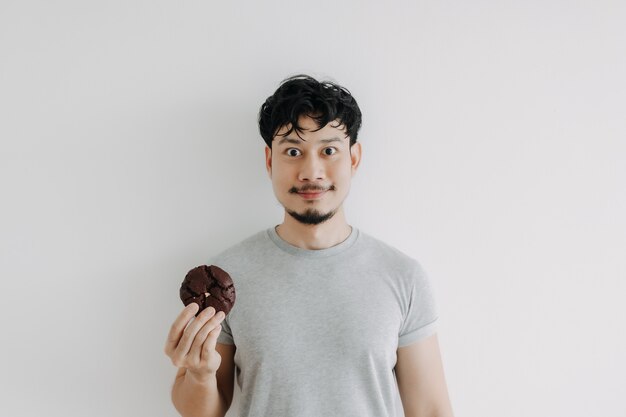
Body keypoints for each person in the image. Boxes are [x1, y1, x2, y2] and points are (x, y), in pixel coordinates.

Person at [164, 75, 454, 417]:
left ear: (354, 159)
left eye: (329, 150)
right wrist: (199, 373)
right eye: (292, 151)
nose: (311, 171)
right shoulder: (227, 276)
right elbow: (202, 412)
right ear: (270, 161)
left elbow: (431, 409)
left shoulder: (403, 276)